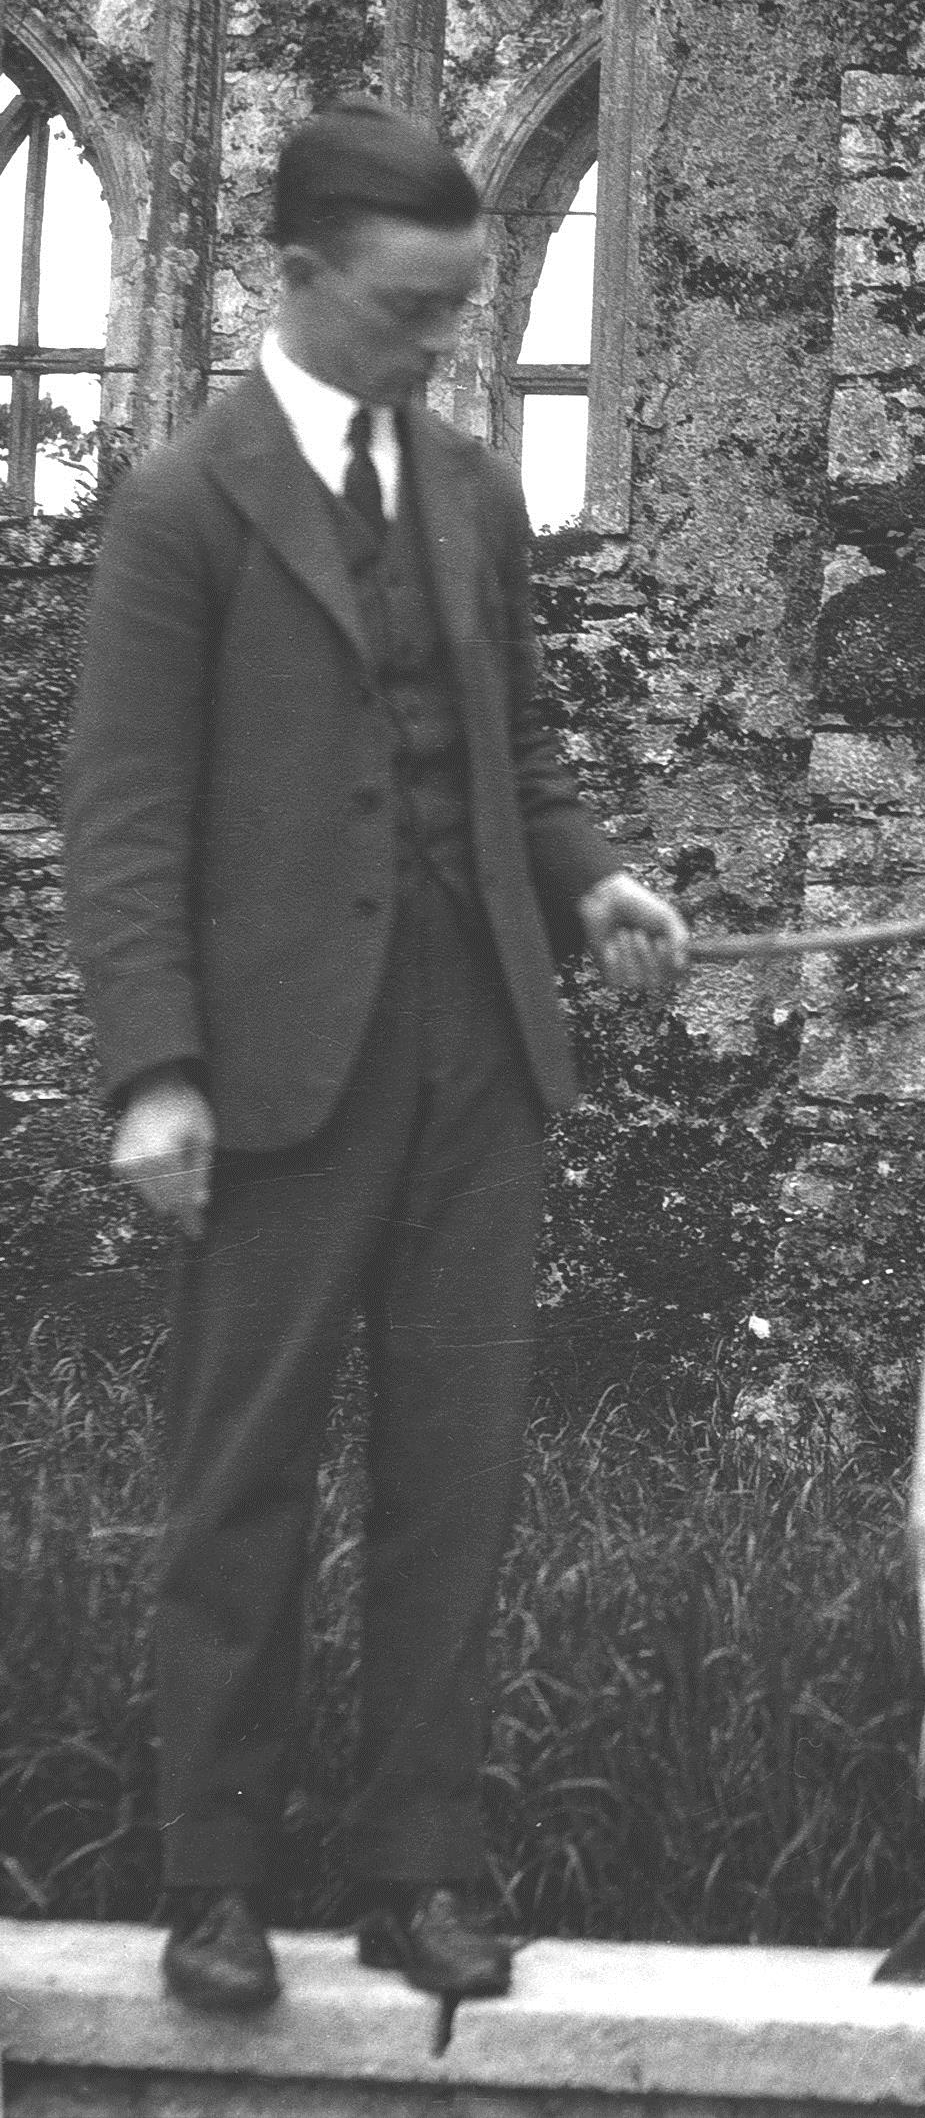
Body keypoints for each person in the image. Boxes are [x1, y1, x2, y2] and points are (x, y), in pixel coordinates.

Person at [64, 98, 692, 2014]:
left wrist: (595, 886)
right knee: (239, 1477)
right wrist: (154, 1070)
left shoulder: (477, 495)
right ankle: (217, 1882)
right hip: (271, 1080)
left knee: (456, 1477)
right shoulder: (185, 505)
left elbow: (519, 757)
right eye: (413, 311)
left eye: (461, 312)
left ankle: (421, 1866)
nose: (441, 348)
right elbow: (126, 820)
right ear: (302, 275)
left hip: (477, 1059)